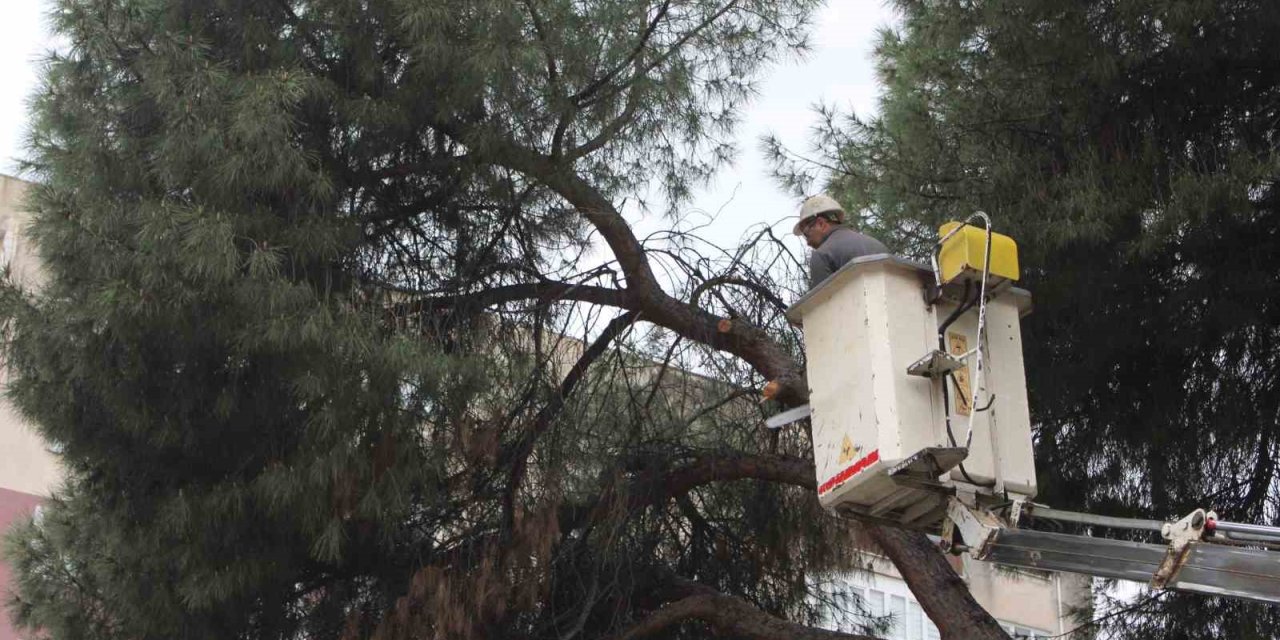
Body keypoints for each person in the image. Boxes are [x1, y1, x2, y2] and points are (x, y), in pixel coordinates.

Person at [793, 194, 888, 289]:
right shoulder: (877, 244)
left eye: (806, 235)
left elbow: (825, 301)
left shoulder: (822, 254)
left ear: (821, 223)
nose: (808, 243)